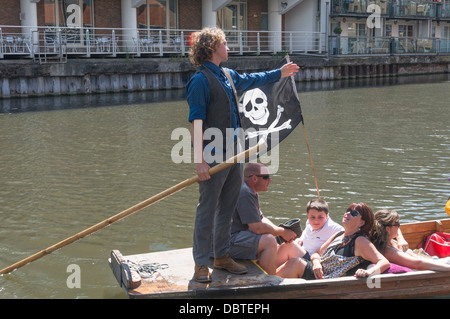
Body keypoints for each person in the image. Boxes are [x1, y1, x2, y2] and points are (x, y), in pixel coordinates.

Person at [186, 27, 299, 283]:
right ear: (213, 47)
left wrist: (279, 73)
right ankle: (201, 264)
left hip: (235, 155)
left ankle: (222, 256)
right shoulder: (200, 80)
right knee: (207, 211)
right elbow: (196, 121)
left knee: (227, 208)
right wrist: (199, 160)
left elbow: (251, 79)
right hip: (213, 157)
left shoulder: (226, 74)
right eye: (225, 43)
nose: (229, 48)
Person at [277, 202, 390, 279]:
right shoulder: (339, 234)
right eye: (348, 210)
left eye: (354, 213)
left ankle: (267, 285)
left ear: (362, 223)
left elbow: (384, 262)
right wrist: (316, 263)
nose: (347, 213)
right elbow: (316, 253)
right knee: (287, 246)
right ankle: (268, 278)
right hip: (317, 269)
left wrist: (368, 272)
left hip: (327, 279)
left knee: (295, 263)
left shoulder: (360, 241)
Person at [229, 163, 307, 275]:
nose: (270, 180)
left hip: (232, 238)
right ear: (254, 178)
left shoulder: (248, 190)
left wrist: (279, 232)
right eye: (266, 177)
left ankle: (268, 274)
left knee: (271, 238)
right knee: (269, 241)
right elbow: (257, 228)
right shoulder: (245, 193)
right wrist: (283, 232)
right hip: (225, 243)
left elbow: (261, 219)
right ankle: (269, 282)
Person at [370, 209, 450, 272]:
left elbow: (392, 226)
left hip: (428, 260)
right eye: (397, 225)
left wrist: (400, 239)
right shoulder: (388, 251)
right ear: (387, 229)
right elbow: (417, 263)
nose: (399, 227)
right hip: (424, 267)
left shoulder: (387, 240)